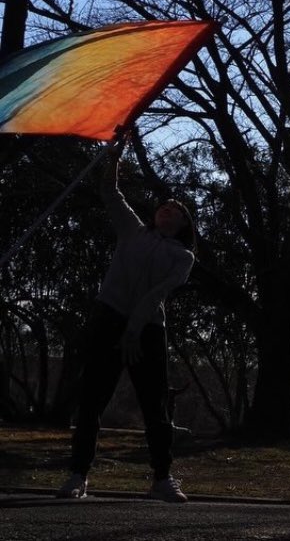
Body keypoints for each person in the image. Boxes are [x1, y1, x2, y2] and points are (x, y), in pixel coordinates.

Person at [57, 135, 196, 503]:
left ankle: (162, 478)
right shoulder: (133, 230)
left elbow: (156, 296)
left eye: (176, 210)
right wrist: (115, 155)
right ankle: (78, 475)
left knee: (154, 405)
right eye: (163, 206)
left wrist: (134, 330)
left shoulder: (182, 256)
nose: (167, 209)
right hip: (108, 318)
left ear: (184, 223)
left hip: (148, 329)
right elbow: (110, 191)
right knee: (92, 399)